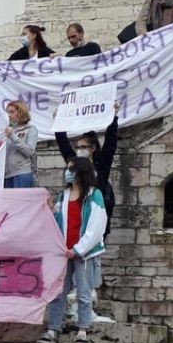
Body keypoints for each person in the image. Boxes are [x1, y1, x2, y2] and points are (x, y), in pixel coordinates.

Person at [38, 156, 106, 343]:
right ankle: (53, 329)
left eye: (71, 169)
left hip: (84, 253)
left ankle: (83, 330)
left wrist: (78, 249)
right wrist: (50, 209)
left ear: (80, 172)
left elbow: (96, 226)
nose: (67, 173)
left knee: (84, 292)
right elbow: (57, 220)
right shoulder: (63, 195)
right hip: (64, 252)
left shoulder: (95, 195)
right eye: (67, 169)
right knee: (58, 292)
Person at [56, 101, 119, 241]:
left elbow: (110, 143)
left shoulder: (101, 164)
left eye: (83, 147)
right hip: (77, 214)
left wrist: (114, 116)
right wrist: (59, 123)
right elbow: (64, 145)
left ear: (93, 148)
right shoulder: (74, 163)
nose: (79, 150)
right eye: (77, 147)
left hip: (96, 213)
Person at [3, 100, 39, 188]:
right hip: (6, 175)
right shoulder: (7, 130)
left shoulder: (31, 129)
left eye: (12, 112)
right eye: (8, 112)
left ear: (21, 112)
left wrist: (13, 136)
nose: (9, 115)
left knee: (20, 202)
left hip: (22, 174)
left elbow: (29, 151)